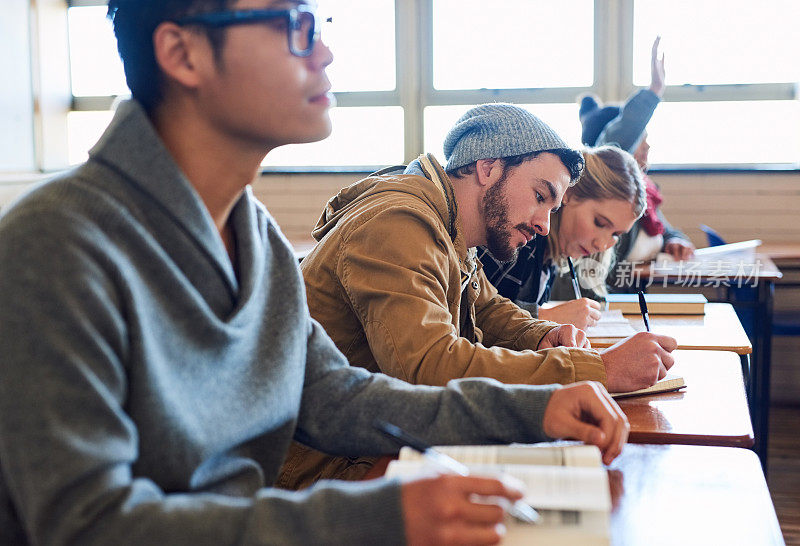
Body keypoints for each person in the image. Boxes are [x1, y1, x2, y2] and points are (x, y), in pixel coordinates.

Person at [0, 1, 632, 544]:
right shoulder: (57, 246)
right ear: (182, 53)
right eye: (294, 25)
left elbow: (335, 396)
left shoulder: (253, 236)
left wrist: (536, 408)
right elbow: (88, 528)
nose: (325, 51)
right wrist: (375, 519)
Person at [279, 104, 677, 490]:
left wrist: (541, 335)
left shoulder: (450, 226)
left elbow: (486, 306)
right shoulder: (399, 222)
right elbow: (430, 367)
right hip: (328, 470)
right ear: (488, 167)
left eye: (554, 209)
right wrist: (595, 369)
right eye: (541, 196)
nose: (543, 224)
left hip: (377, 443)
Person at [479, 145, 649, 330]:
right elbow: (469, 315)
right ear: (569, 192)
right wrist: (547, 317)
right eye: (599, 223)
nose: (601, 244)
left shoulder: (551, 254)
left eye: (616, 234)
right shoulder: (519, 238)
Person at [579, 36, 694, 271]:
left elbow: (665, 228)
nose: (647, 147)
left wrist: (676, 240)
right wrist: (653, 93)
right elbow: (620, 138)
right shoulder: (605, 180)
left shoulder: (642, 190)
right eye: (641, 140)